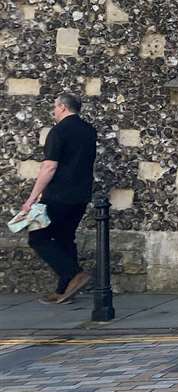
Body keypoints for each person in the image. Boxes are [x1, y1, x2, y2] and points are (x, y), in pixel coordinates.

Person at [20, 93, 97, 305]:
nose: (54, 111)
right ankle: (64, 290)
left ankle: (75, 274)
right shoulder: (89, 131)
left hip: (57, 196)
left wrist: (31, 198)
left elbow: (49, 166)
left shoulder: (58, 131)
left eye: (55, 107)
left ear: (62, 107)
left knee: (38, 238)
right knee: (64, 239)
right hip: (80, 195)